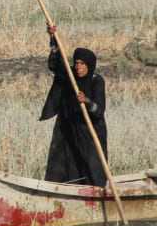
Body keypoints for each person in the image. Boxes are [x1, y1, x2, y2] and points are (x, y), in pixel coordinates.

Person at [40, 23, 108, 186]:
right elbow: (56, 65)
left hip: (88, 130)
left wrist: (86, 101)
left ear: (89, 65)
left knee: (91, 165)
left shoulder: (96, 81)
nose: (78, 67)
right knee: (62, 165)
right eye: (76, 63)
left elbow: (99, 110)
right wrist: (53, 38)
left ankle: (94, 194)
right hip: (67, 127)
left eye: (82, 64)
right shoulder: (70, 76)